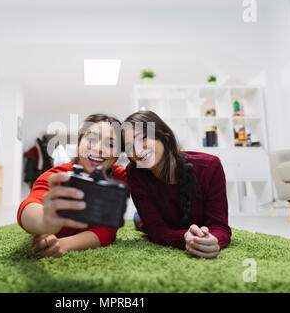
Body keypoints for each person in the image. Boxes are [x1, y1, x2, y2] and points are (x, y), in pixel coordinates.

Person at [122, 110, 231, 259]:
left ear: (163, 136)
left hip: (194, 222)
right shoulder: (135, 172)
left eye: (143, 138)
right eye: (129, 146)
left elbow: (220, 227)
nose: (137, 150)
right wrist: (186, 237)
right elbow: (158, 232)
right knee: (138, 221)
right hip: (158, 219)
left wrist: (213, 240)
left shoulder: (210, 166)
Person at [17, 114, 126, 258]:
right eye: (91, 139)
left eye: (110, 144)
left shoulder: (120, 178)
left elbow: (106, 230)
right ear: (79, 142)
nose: (99, 148)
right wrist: (45, 220)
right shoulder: (58, 175)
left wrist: (64, 244)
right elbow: (29, 205)